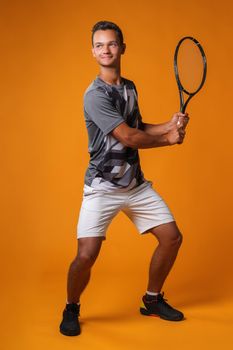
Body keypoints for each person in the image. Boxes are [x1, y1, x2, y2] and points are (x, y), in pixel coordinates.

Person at [59, 20, 189, 336]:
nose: (106, 49)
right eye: (100, 45)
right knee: (86, 257)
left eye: (112, 43)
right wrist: (168, 140)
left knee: (172, 238)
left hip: (135, 184)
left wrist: (169, 125)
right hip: (102, 187)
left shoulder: (129, 86)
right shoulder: (94, 95)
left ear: (122, 48)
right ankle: (71, 307)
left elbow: (139, 126)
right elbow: (128, 137)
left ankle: (152, 299)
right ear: (93, 52)